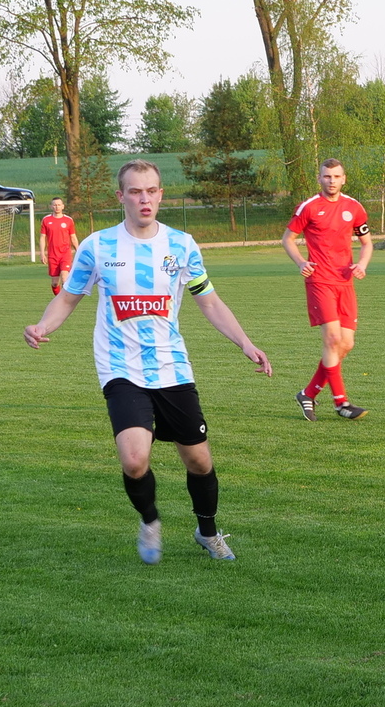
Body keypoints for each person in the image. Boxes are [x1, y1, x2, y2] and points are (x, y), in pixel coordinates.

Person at [24, 160, 272, 564]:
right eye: (136, 191)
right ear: (121, 196)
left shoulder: (181, 245)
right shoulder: (97, 246)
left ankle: (207, 531)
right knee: (135, 460)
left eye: (151, 191)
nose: (144, 198)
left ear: (160, 195)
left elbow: (208, 300)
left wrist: (244, 342)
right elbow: (68, 297)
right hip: (119, 366)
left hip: (171, 365)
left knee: (199, 460)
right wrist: (42, 325)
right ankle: (150, 520)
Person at [283, 159, 373, 421]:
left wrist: (362, 265)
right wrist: (301, 262)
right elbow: (288, 239)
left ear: (344, 179)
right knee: (333, 340)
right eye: (327, 176)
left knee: (346, 344)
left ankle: (308, 393)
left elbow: (367, 243)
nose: (331, 181)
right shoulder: (309, 207)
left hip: (345, 282)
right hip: (320, 281)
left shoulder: (354, 207)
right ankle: (341, 403)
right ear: (319, 178)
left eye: (336, 176)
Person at [40, 197, 80, 294]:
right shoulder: (46, 220)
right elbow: (42, 237)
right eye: (54, 205)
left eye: (59, 205)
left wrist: (78, 251)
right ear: (51, 206)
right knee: (55, 283)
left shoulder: (68, 220)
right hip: (52, 255)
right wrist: (42, 253)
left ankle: (64, 301)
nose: (57, 207)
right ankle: (58, 299)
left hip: (65, 254)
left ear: (63, 206)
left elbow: (73, 237)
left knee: (64, 278)